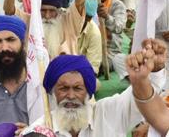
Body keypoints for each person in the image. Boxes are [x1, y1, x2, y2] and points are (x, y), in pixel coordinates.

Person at [26, 40, 166, 136]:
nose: (71, 95)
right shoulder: (38, 131)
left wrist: (154, 71)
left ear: (89, 91)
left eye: (78, 88)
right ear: (52, 92)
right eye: (63, 88)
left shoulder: (108, 113)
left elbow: (140, 97)